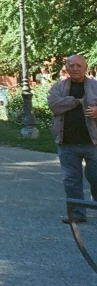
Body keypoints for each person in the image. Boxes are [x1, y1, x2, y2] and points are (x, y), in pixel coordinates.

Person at [47, 54, 97, 224]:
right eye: (71, 65)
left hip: (93, 142)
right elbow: (54, 105)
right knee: (71, 180)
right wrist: (76, 101)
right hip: (67, 142)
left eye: (79, 65)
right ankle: (77, 213)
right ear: (66, 68)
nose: (75, 68)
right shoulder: (58, 88)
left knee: (96, 177)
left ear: (85, 68)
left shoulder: (95, 86)